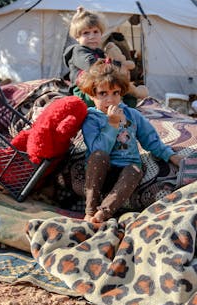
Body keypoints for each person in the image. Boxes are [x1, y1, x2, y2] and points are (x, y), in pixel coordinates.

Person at [78, 60, 182, 225]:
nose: (110, 100)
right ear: (92, 95)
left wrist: (170, 155)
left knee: (135, 169)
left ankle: (103, 213)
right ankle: (90, 210)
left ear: (121, 93)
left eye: (115, 93)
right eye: (103, 94)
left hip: (126, 167)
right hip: (102, 170)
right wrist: (112, 124)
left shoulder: (132, 114)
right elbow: (98, 148)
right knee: (97, 156)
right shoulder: (91, 118)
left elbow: (150, 140)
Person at [63, 6, 137, 107]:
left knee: (128, 94)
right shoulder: (78, 51)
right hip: (83, 91)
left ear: (101, 33)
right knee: (100, 98)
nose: (92, 36)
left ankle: (126, 110)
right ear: (77, 37)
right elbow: (93, 64)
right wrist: (118, 65)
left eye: (95, 32)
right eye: (86, 33)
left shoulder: (99, 52)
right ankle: (113, 106)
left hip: (102, 86)